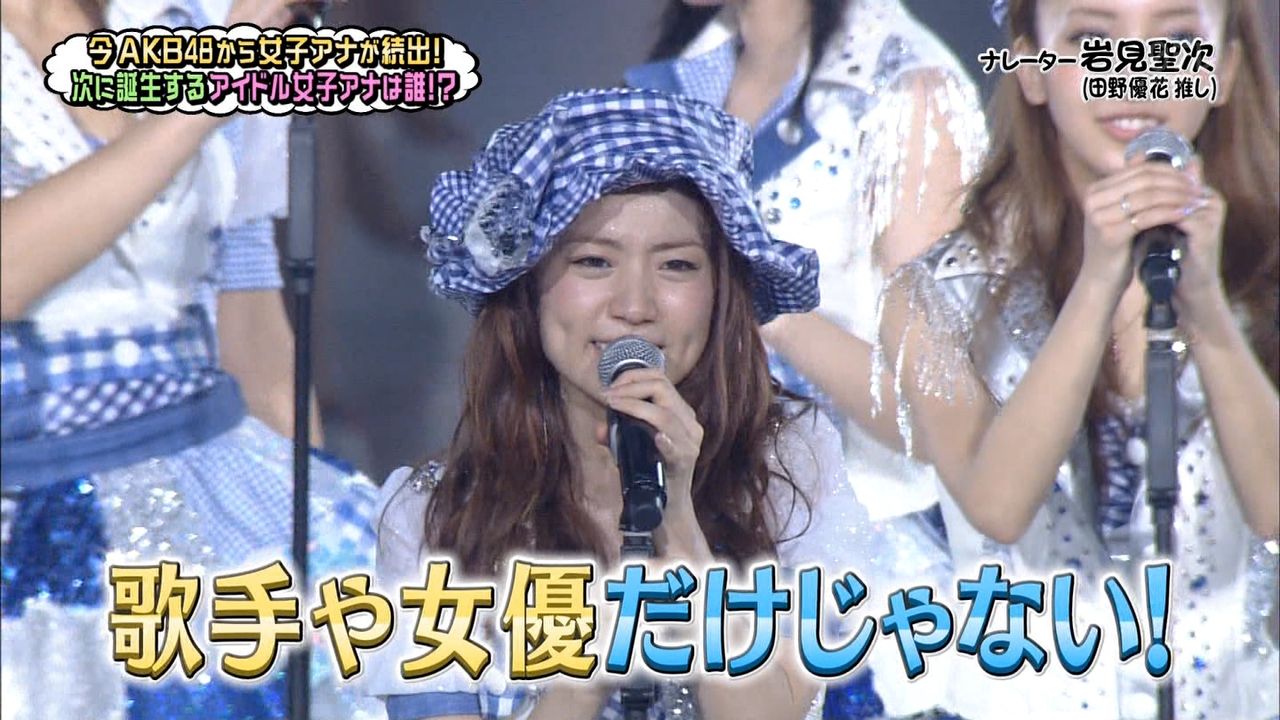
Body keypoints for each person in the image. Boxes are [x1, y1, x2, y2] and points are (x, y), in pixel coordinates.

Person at [366, 87, 881, 720]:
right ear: (529, 286)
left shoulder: (786, 464)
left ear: (720, 291)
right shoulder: (434, 517)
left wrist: (675, 519)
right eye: (593, 262)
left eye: (677, 266)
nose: (634, 305)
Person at [876, 0, 1279, 717]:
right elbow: (998, 504)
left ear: (1223, 68)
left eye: (1176, 39)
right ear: (1031, 66)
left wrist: (1209, 311)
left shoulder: (1266, 276)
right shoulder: (933, 297)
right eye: (1093, 39)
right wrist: (1098, 284)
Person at [0, 1, 382, 718]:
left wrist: (306, 532)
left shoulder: (182, 22)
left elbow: (250, 315)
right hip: (30, 540)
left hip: (213, 513)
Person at [629, 3, 988, 717]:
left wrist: (766, 306)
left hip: (850, 585)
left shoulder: (906, 89)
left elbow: (940, 417)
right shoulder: (690, 71)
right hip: (687, 551)